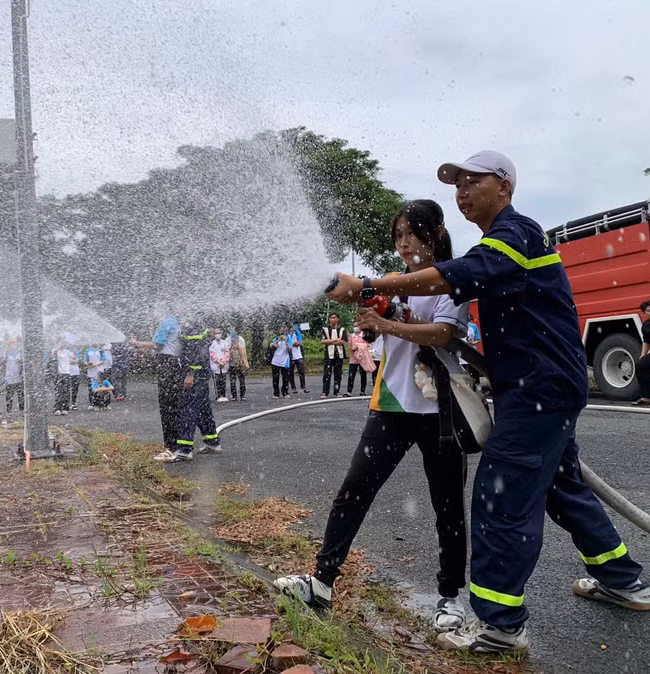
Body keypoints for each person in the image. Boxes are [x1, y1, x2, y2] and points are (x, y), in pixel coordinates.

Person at [326, 151, 650, 653]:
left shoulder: (513, 236)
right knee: (563, 487)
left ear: (504, 186)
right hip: (539, 388)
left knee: (500, 494)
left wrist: (368, 284)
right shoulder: (504, 242)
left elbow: (448, 282)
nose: (460, 191)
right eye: (455, 184)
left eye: (471, 181)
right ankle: (623, 578)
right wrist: (381, 301)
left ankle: (500, 626)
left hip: (538, 389)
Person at [276, 199, 470, 634]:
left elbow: (442, 334)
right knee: (354, 490)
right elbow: (382, 324)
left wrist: (387, 323)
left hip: (441, 410)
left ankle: (451, 598)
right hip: (392, 403)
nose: (403, 244)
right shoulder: (394, 283)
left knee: (448, 506)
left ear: (435, 233)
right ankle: (322, 582)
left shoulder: (452, 279)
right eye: (397, 236)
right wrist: (368, 314)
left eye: (410, 234)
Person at [154, 321, 222, 462]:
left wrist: (190, 373)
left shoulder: (191, 326)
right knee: (203, 409)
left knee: (187, 409)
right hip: (201, 374)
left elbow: (197, 352)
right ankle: (212, 442)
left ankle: (185, 450)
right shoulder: (195, 323)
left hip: (195, 374)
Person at [131, 312, 183, 458]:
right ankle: (182, 443)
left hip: (167, 365)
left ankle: (171, 447)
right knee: (176, 405)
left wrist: (137, 343)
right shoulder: (178, 322)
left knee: (167, 407)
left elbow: (157, 345)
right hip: (176, 365)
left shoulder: (167, 322)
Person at [320, 313, 347, 398]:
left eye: (334, 317)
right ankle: (325, 391)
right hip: (328, 354)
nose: (332, 319)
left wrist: (330, 341)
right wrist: (336, 340)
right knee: (326, 374)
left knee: (338, 374)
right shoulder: (325, 329)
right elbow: (323, 341)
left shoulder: (342, 329)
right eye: (331, 318)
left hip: (339, 354)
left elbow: (343, 341)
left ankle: (337, 391)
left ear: (337, 319)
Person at [344, 327, 370, 397]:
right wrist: (353, 348)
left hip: (362, 358)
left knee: (363, 375)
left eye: (357, 326)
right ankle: (349, 391)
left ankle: (362, 391)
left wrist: (358, 346)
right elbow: (350, 346)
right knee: (351, 375)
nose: (355, 328)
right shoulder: (351, 336)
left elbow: (367, 345)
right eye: (354, 326)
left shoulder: (364, 335)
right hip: (353, 358)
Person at [633, 299, 650, 406]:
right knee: (641, 365)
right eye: (649, 310)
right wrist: (643, 355)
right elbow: (647, 341)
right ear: (644, 313)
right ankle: (647, 397)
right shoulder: (646, 326)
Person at [226, 328, 249, 401]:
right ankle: (234, 395)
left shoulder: (241, 339)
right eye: (231, 330)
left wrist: (238, 346)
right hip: (231, 363)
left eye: (233, 330)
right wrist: (231, 346)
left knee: (242, 379)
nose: (232, 332)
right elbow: (226, 351)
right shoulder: (227, 340)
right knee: (232, 380)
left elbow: (244, 351)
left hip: (240, 363)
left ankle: (242, 395)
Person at [4, 339, 24, 416]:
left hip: (18, 376)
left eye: (15, 344)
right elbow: (2, 359)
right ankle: (9, 411)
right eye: (12, 344)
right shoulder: (7, 353)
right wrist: (5, 349)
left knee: (21, 394)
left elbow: (22, 361)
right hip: (9, 376)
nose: (14, 346)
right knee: (9, 394)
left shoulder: (19, 352)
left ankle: (22, 410)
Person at [270, 328, 291, 399]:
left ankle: (285, 392)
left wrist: (285, 341)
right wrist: (279, 340)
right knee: (275, 378)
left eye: (284, 332)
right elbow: (272, 346)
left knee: (285, 378)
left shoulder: (288, 339)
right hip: (276, 360)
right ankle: (276, 393)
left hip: (285, 361)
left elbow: (289, 348)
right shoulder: (276, 339)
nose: (282, 334)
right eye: (281, 332)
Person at [209, 329, 230, 402]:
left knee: (223, 381)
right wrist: (218, 361)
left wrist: (223, 361)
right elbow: (212, 354)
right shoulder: (212, 344)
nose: (218, 335)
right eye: (216, 333)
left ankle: (223, 395)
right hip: (216, 365)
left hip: (223, 365)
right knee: (217, 381)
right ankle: (218, 396)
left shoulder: (225, 343)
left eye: (219, 333)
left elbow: (227, 353)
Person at [287, 323, 309, 394]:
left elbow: (300, 343)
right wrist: (293, 343)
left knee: (301, 371)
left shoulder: (297, 332)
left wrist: (296, 343)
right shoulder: (286, 334)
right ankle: (293, 388)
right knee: (290, 372)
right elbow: (286, 343)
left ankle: (303, 387)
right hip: (289, 355)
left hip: (298, 355)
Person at [53, 342, 71, 416]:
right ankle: (57, 408)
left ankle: (65, 408)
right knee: (59, 391)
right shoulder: (55, 351)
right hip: (58, 373)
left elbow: (73, 358)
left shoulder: (67, 352)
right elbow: (53, 357)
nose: (62, 345)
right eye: (60, 343)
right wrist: (57, 348)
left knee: (66, 391)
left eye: (63, 343)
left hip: (66, 372)